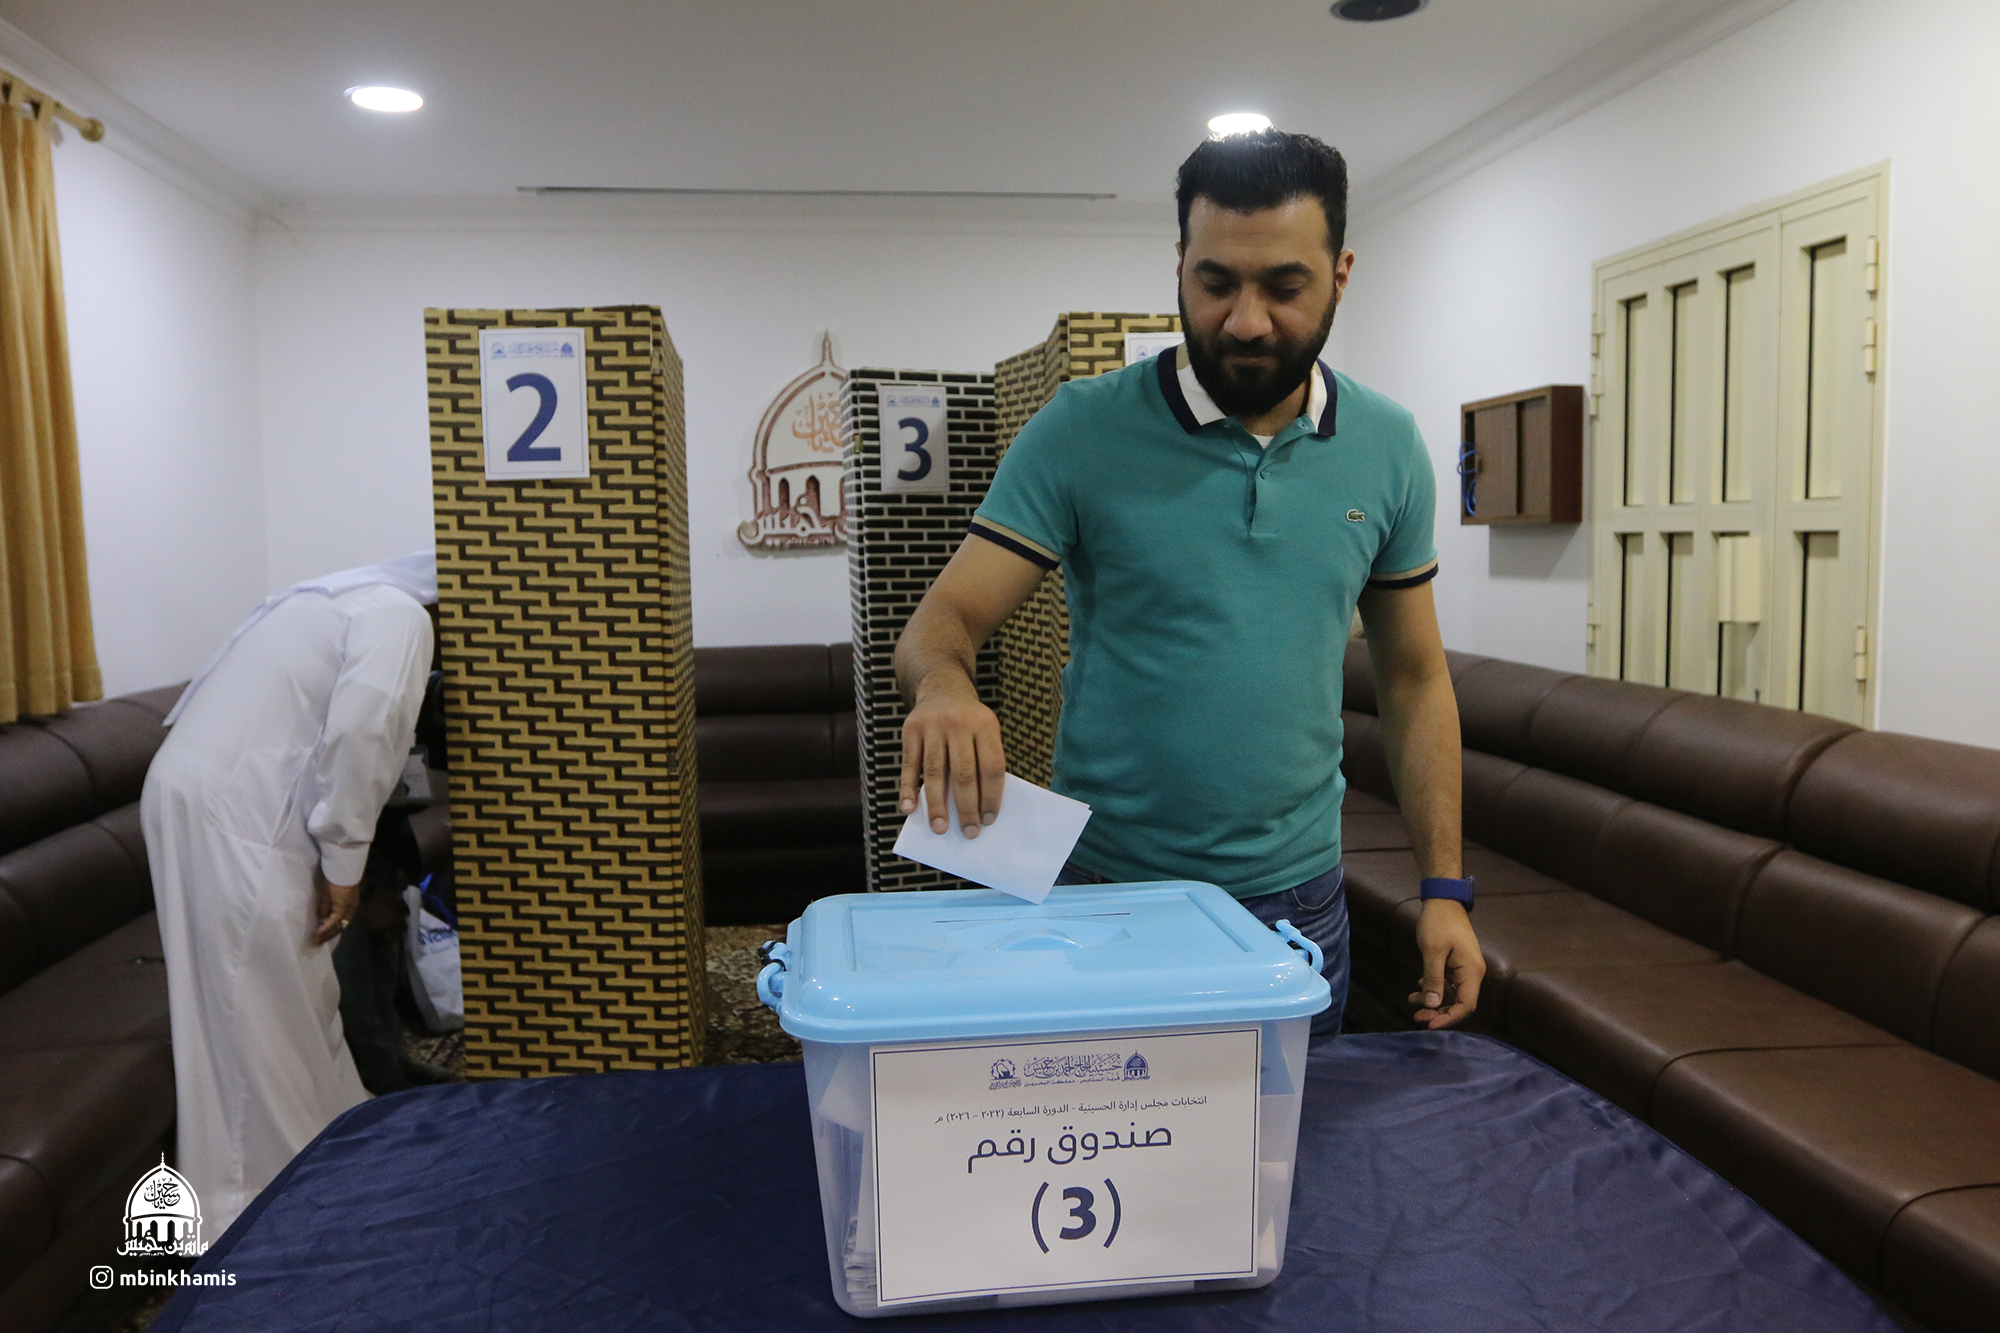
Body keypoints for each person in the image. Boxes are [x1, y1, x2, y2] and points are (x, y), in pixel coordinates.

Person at [893, 129, 1482, 1035]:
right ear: (1178, 265)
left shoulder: (1389, 446)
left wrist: (1444, 889)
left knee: (1289, 1130)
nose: (1246, 320)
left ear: (1341, 274)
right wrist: (944, 686)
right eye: (1215, 282)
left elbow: (1413, 679)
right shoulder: (1082, 429)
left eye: (1284, 285)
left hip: (1296, 905)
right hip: (1108, 892)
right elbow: (946, 616)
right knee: (1102, 1118)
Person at [142, 551, 437, 1235]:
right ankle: (257, 1206)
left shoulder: (340, 601)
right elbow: (364, 735)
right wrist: (345, 861)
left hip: (214, 800)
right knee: (257, 1005)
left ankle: (329, 1152)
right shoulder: (400, 617)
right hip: (239, 815)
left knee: (294, 991)